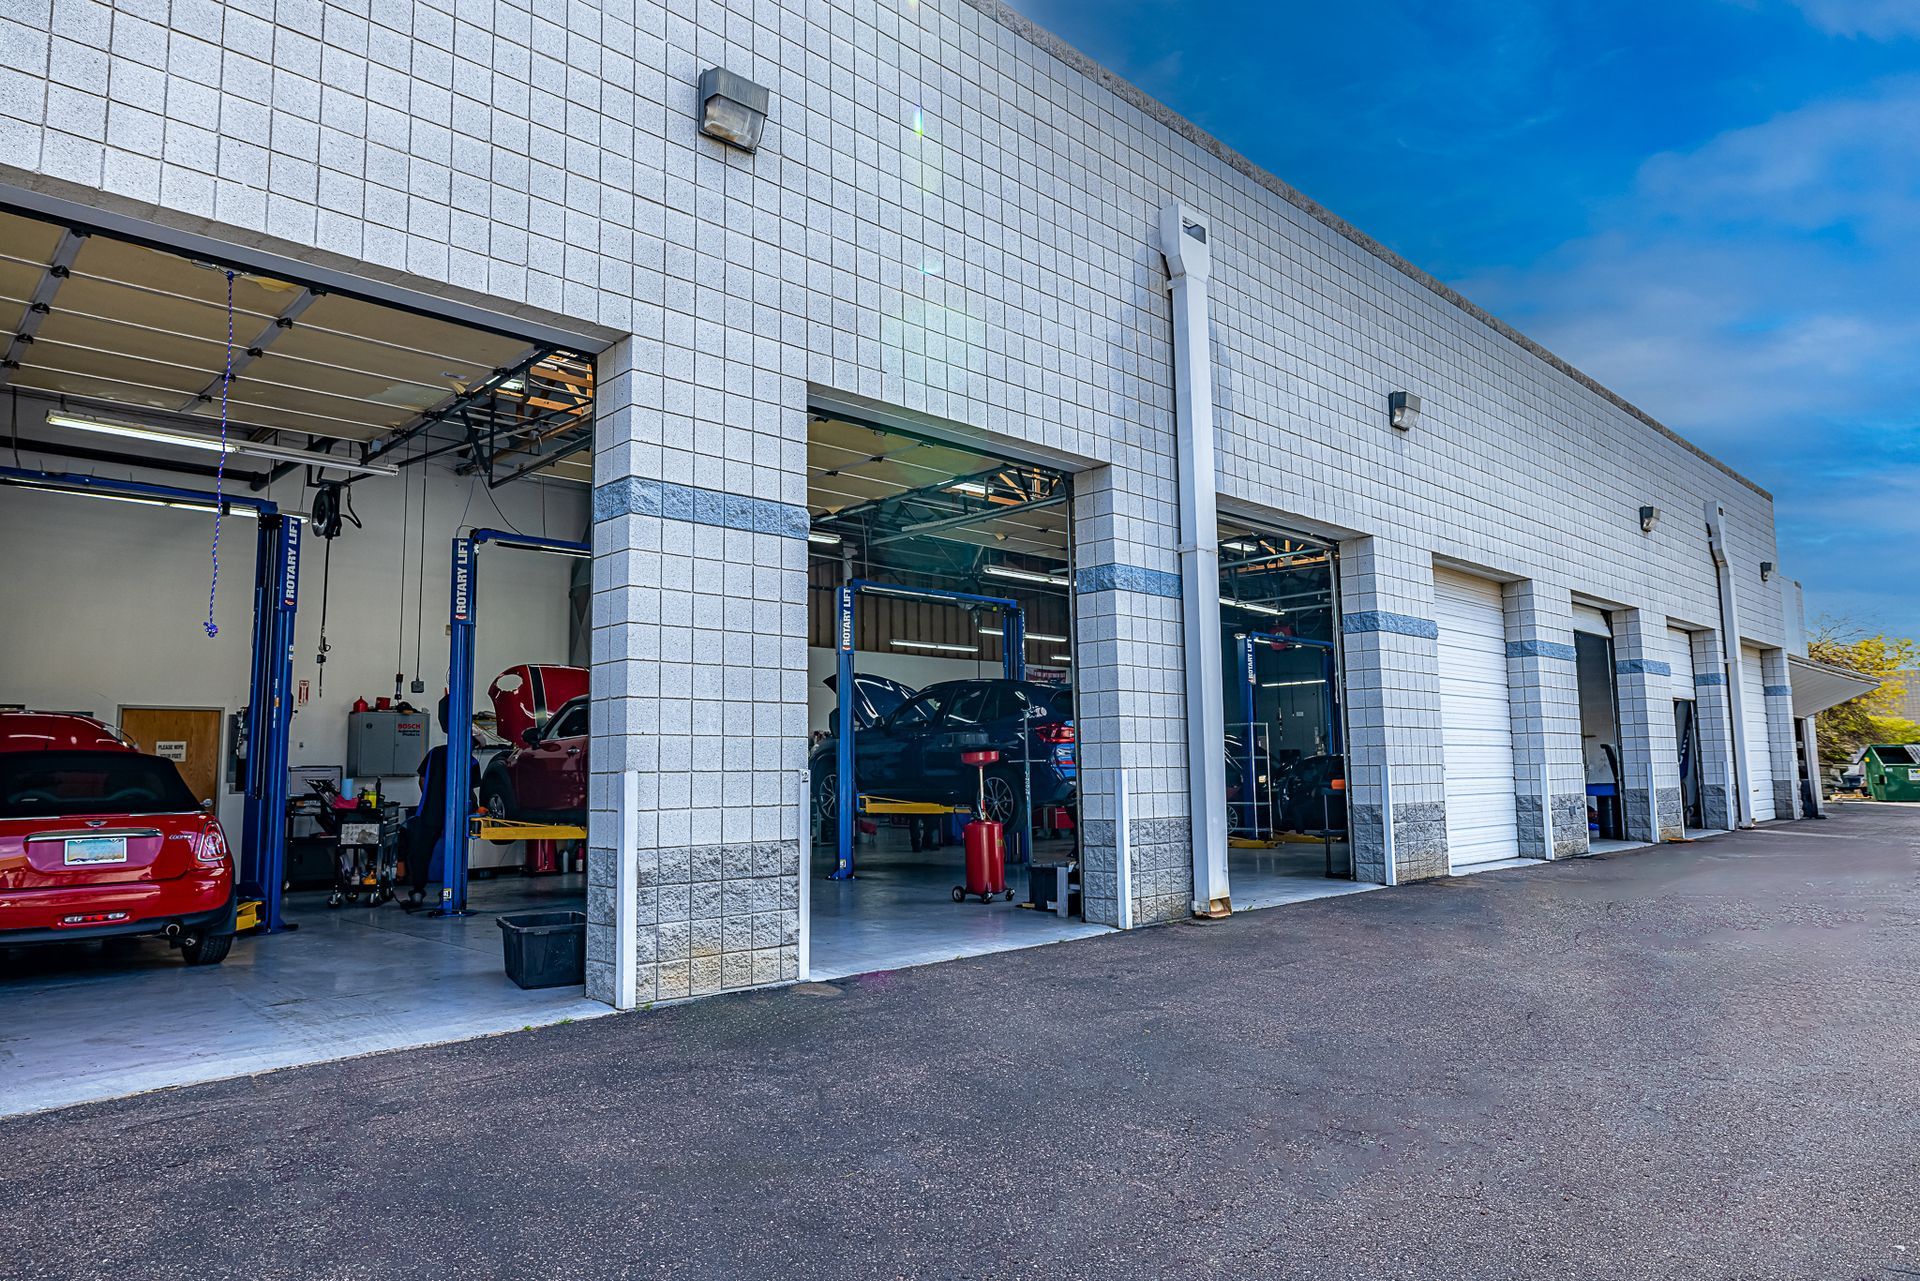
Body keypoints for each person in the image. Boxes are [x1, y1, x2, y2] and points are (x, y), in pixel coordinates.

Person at [402, 695, 481, 909]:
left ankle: (417, 892)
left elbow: (422, 779)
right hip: (455, 814)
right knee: (453, 853)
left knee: (421, 852)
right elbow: (471, 790)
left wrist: (430, 799)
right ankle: (448, 893)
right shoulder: (471, 761)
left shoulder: (434, 754)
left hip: (429, 811)